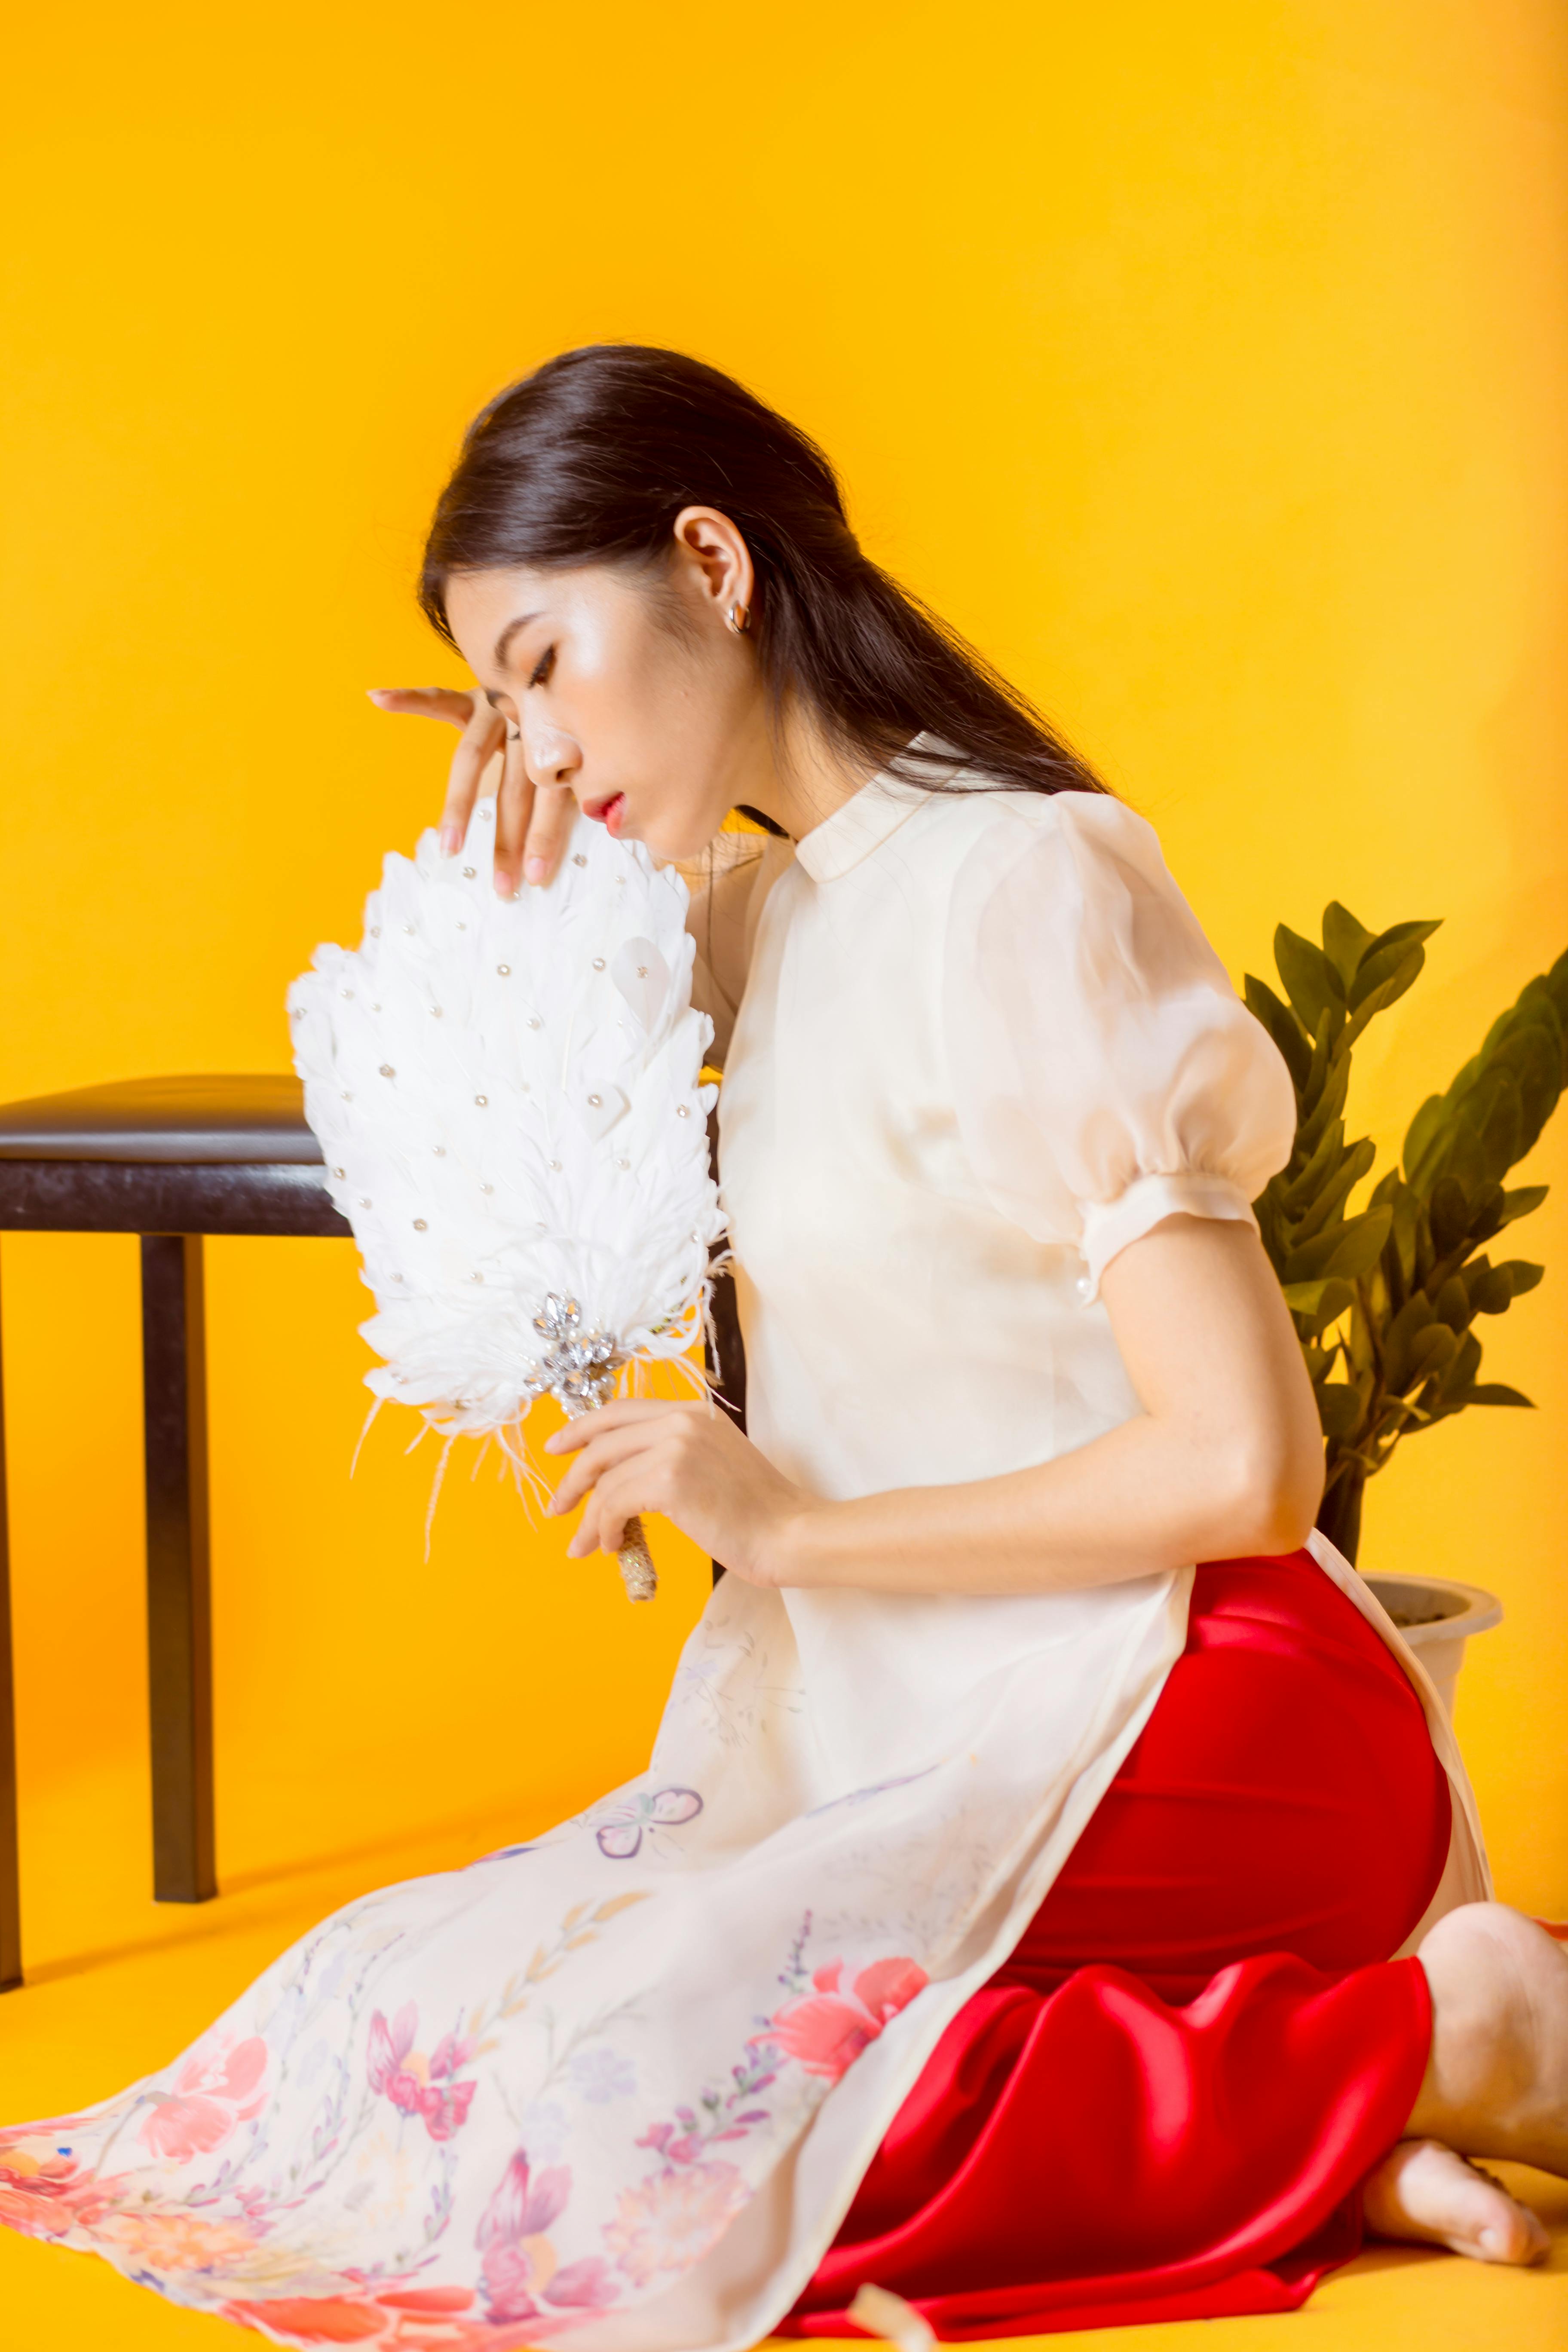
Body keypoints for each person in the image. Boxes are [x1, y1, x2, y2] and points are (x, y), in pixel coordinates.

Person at [2, 346, 1563, 2347]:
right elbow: (535, 1070)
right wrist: (510, 892)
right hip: (918, 1707)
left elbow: (1245, 1469)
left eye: (547, 664)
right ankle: (1355, 2101)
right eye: (497, 706)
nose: (539, 746)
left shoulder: (1021, 885)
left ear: (714, 562)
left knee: (651, 2092)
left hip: (1186, 1695)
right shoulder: (769, 912)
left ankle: (1447, 2043)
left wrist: (791, 1529)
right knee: (430, 2000)